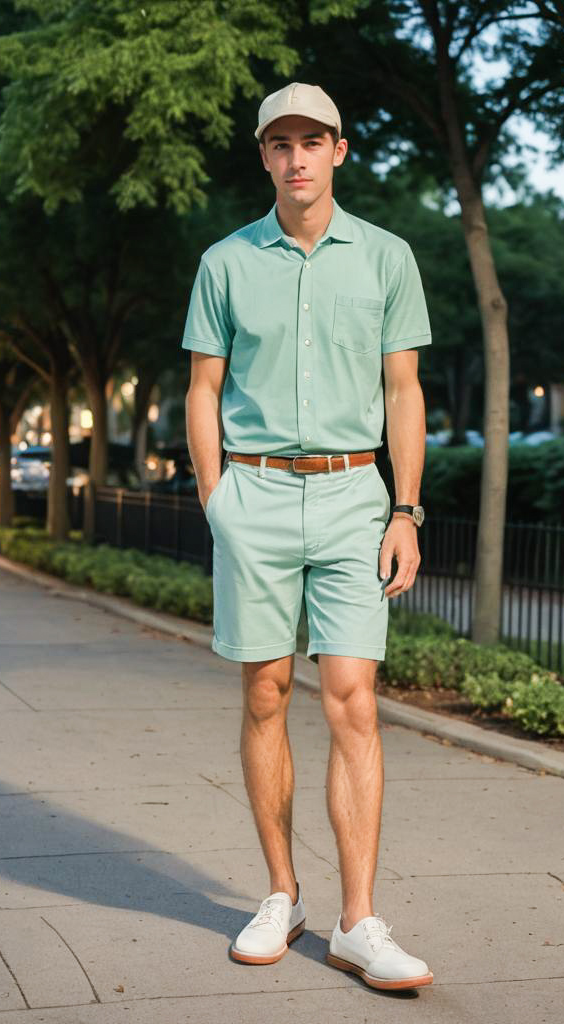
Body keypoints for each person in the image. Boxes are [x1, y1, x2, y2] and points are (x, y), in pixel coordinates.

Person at [182, 82, 432, 991]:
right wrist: (218, 500)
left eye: (311, 141)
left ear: (339, 149)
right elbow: (203, 390)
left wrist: (405, 510)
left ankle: (360, 922)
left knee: (353, 700)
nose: (296, 157)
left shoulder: (387, 258)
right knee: (264, 692)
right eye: (279, 143)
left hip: (351, 498)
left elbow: (402, 390)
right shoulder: (225, 262)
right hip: (253, 491)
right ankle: (281, 895)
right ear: (263, 156)